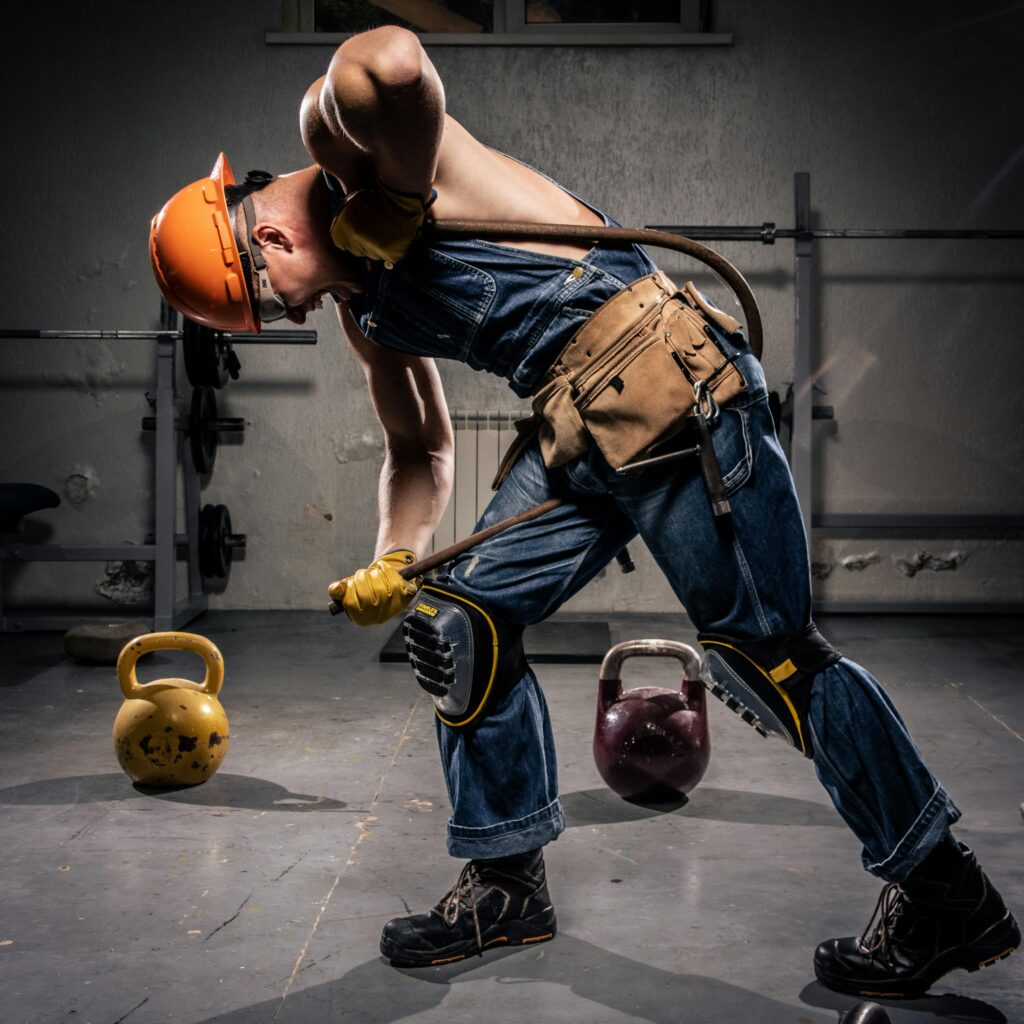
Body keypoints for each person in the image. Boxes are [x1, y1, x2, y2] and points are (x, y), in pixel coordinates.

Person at [149, 26, 1018, 998]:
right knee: (458, 619)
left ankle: (941, 887)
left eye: (271, 307)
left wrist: (374, 176)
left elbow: (392, 60)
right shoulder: (367, 308)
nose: (294, 320)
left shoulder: (372, 154)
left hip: (668, 387)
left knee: (768, 657)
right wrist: (394, 554)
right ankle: (507, 879)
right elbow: (420, 448)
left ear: (264, 241)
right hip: (582, 434)